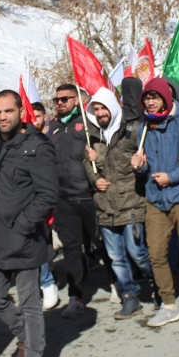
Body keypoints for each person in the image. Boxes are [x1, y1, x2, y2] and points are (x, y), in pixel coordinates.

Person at [0, 90, 58, 357]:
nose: (2, 117)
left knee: (30, 302)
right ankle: (23, 334)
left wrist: (23, 225)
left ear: (21, 111)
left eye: (8, 111)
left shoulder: (37, 147)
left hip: (25, 238)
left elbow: (48, 194)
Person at [131, 78, 179, 327]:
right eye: (147, 98)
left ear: (166, 97)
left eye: (155, 97)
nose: (150, 102)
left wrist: (172, 177)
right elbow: (144, 168)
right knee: (155, 253)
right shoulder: (144, 128)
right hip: (155, 199)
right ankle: (168, 304)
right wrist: (138, 166)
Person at [84, 80, 153, 320]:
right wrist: (94, 179)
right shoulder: (93, 136)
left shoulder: (134, 130)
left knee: (138, 254)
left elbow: (147, 163)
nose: (100, 113)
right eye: (96, 110)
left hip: (131, 205)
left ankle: (159, 283)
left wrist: (141, 165)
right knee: (115, 259)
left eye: (103, 108)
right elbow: (89, 166)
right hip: (105, 207)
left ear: (113, 107)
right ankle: (130, 297)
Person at [50, 83, 111, 318]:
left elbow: (105, 149)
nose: (60, 103)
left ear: (77, 100)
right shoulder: (52, 128)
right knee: (72, 250)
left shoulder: (87, 123)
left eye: (65, 98)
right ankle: (75, 297)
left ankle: (117, 283)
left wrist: (98, 162)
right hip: (63, 198)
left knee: (101, 241)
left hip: (88, 194)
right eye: (57, 99)